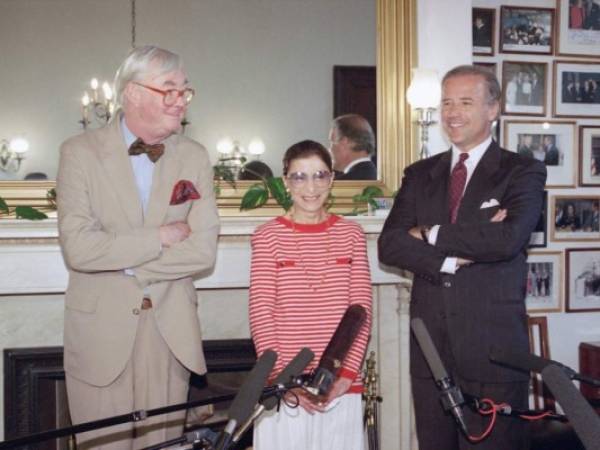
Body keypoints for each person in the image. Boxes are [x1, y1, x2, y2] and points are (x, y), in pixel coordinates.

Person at [57, 45, 220, 450]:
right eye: (169, 89)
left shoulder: (195, 156)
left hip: (170, 335)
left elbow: (202, 251)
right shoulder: (78, 153)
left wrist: (127, 265)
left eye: (185, 91)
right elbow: (79, 249)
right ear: (132, 93)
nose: (180, 100)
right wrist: (158, 238)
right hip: (100, 337)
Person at [378, 65, 546, 450]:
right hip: (430, 352)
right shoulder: (419, 174)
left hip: (494, 354)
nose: (452, 113)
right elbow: (390, 245)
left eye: (465, 102)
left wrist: (430, 233)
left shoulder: (522, 171)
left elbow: (507, 238)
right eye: (447, 102)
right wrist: (451, 260)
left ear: (493, 109)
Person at [249, 140, 372, 450]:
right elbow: (261, 312)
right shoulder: (268, 236)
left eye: (319, 175)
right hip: (286, 387)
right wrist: (282, 381)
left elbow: (361, 310)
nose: (311, 186)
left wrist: (345, 374)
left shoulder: (351, 235)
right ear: (286, 182)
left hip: (342, 384)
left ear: (331, 179)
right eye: (299, 177)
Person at [329, 114, 377, 180]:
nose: (329, 149)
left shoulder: (341, 185)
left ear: (344, 142)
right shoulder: (382, 178)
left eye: (332, 142)